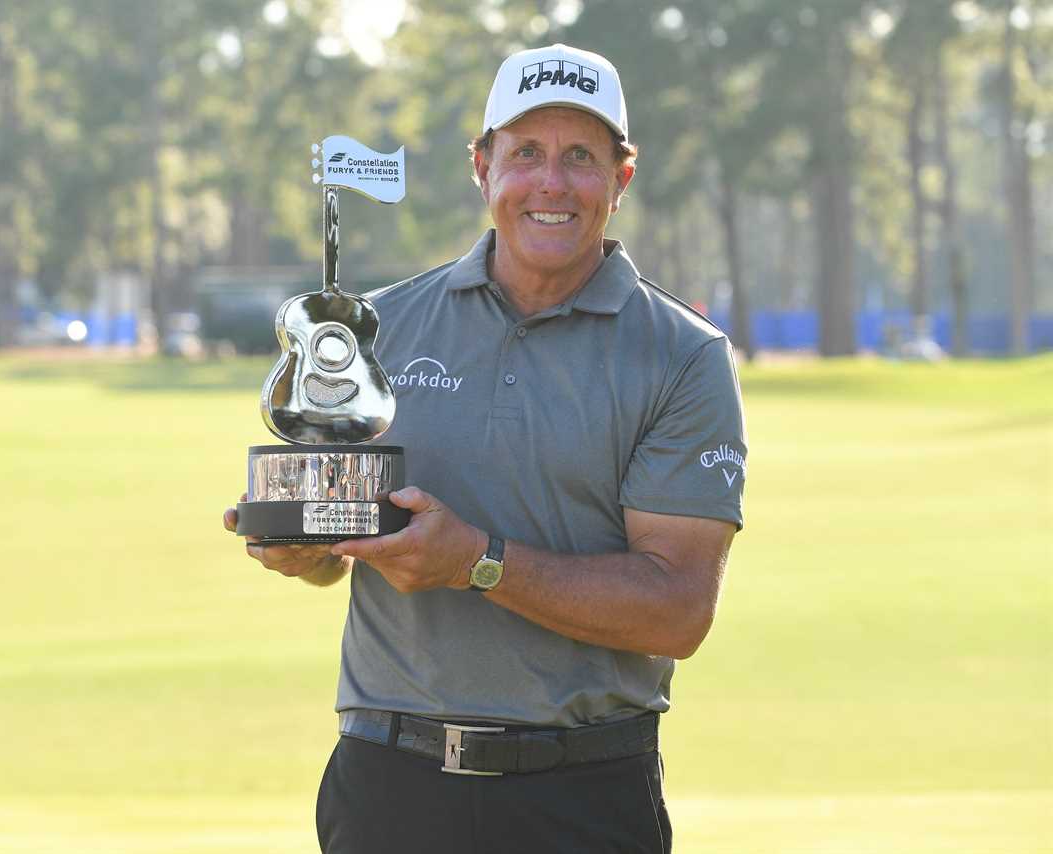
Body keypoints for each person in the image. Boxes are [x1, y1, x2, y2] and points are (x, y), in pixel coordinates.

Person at [224, 43, 747, 854]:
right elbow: (352, 542)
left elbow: (678, 609)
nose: (551, 183)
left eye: (581, 156)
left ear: (623, 178)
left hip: (583, 793)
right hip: (388, 787)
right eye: (525, 153)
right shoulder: (380, 325)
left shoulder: (682, 355)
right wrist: (309, 549)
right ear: (481, 165)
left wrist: (477, 561)